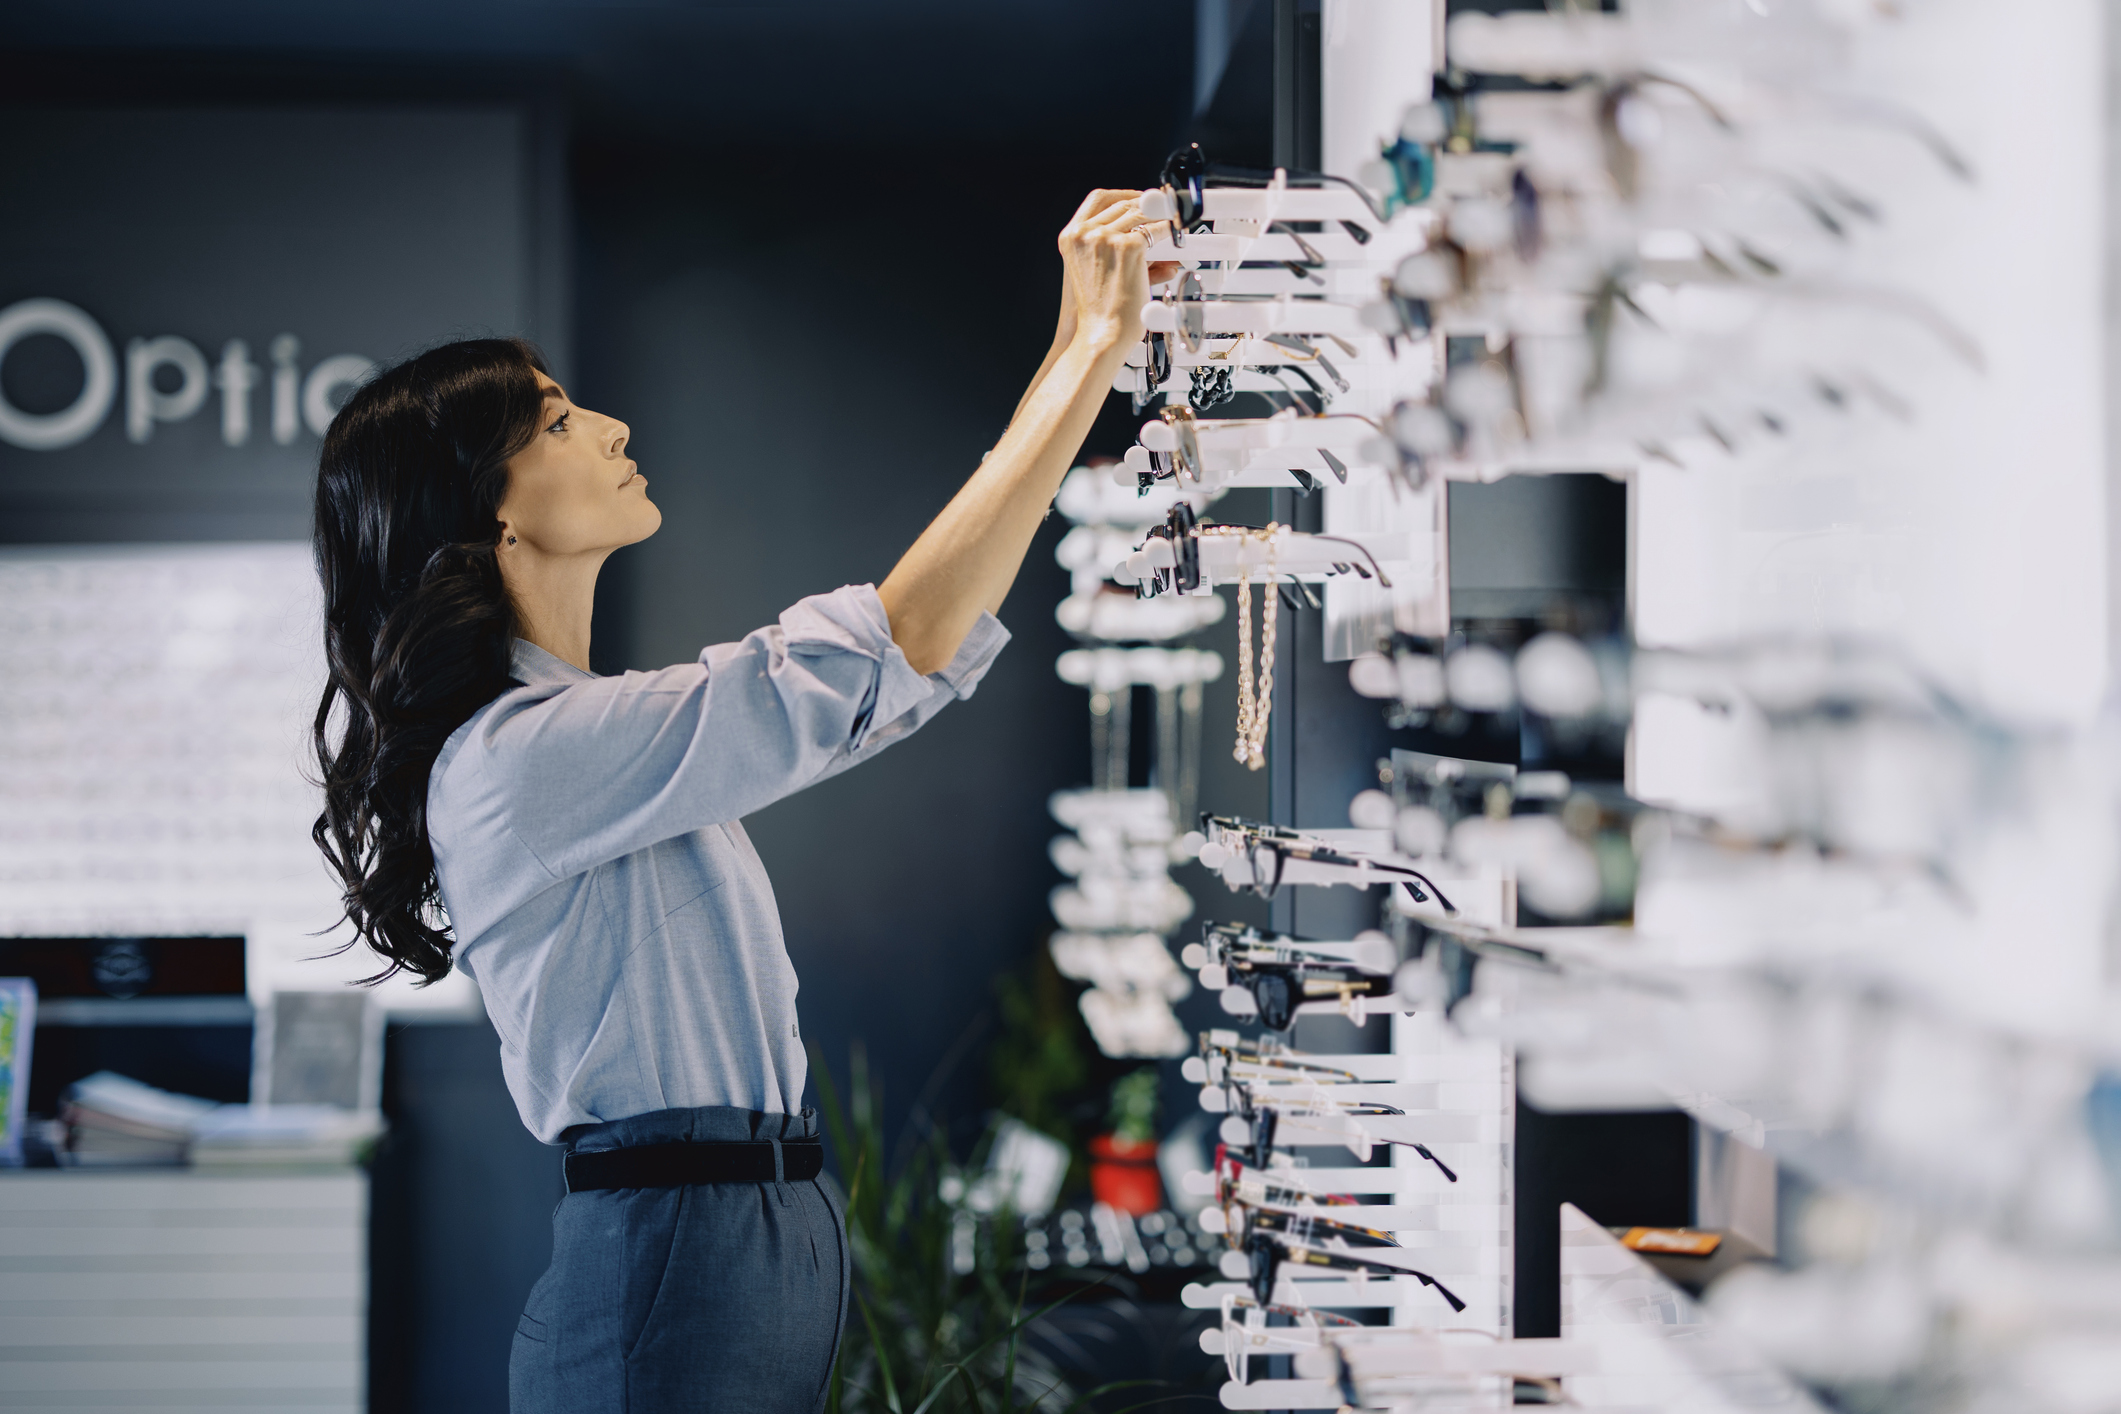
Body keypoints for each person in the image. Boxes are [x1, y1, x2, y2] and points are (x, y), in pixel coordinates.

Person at [309, 189, 1170, 1412]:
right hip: (678, 1244)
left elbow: (896, 673)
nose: (608, 426)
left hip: (738, 1227)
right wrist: (1081, 357)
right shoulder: (522, 757)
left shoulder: (576, 738)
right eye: (557, 419)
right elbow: (888, 647)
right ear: (492, 504)